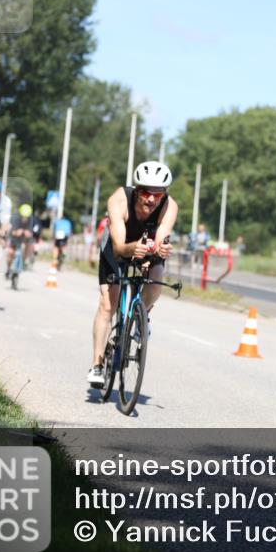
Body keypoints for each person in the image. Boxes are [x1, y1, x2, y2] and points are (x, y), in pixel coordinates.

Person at [87, 161, 179, 387]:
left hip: (145, 247)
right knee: (108, 305)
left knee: (156, 282)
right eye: (146, 193)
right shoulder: (118, 200)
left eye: (157, 195)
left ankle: (142, 315)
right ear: (137, 190)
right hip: (118, 247)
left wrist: (162, 248)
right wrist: (132, 248)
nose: (151, 199)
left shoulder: (169, 206)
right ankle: (97, 365)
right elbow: (119, 247)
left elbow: (161, 237)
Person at [6, 204, 36, 278]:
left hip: (24, 238)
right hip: (14, 238)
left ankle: (24, 261)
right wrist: (17, 232)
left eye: (26, 217)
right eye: (23, 216)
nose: (25, 218)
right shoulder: (15, 218)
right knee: (10, 253)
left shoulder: (31, 220)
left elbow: (31, 232)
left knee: (29, 245)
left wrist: (27, 232)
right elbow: (12, 231)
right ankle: (8, 268)